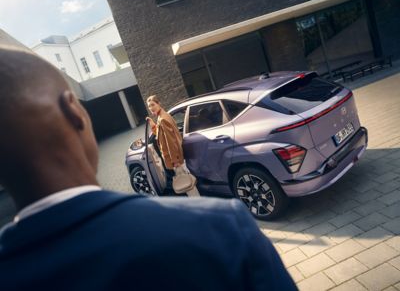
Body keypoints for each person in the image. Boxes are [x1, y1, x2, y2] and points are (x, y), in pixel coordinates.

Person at [0, 46, 297, 291]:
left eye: (152, 104)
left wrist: (172, 157)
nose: (152, 108)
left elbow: (171, 139)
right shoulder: (223, 229)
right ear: (75, 112)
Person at [146, 95, 200, 197]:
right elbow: (162, 135)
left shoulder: (163, 119)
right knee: (187, 184)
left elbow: (171, 142)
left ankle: (201, 206)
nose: (151, 108)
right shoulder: (162, 116)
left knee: (188, 185)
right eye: (149, 106)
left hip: (176, 160)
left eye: (153, 104)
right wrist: (153, 125)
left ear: (159, 104)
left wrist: (175, 161)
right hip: (177, 158)